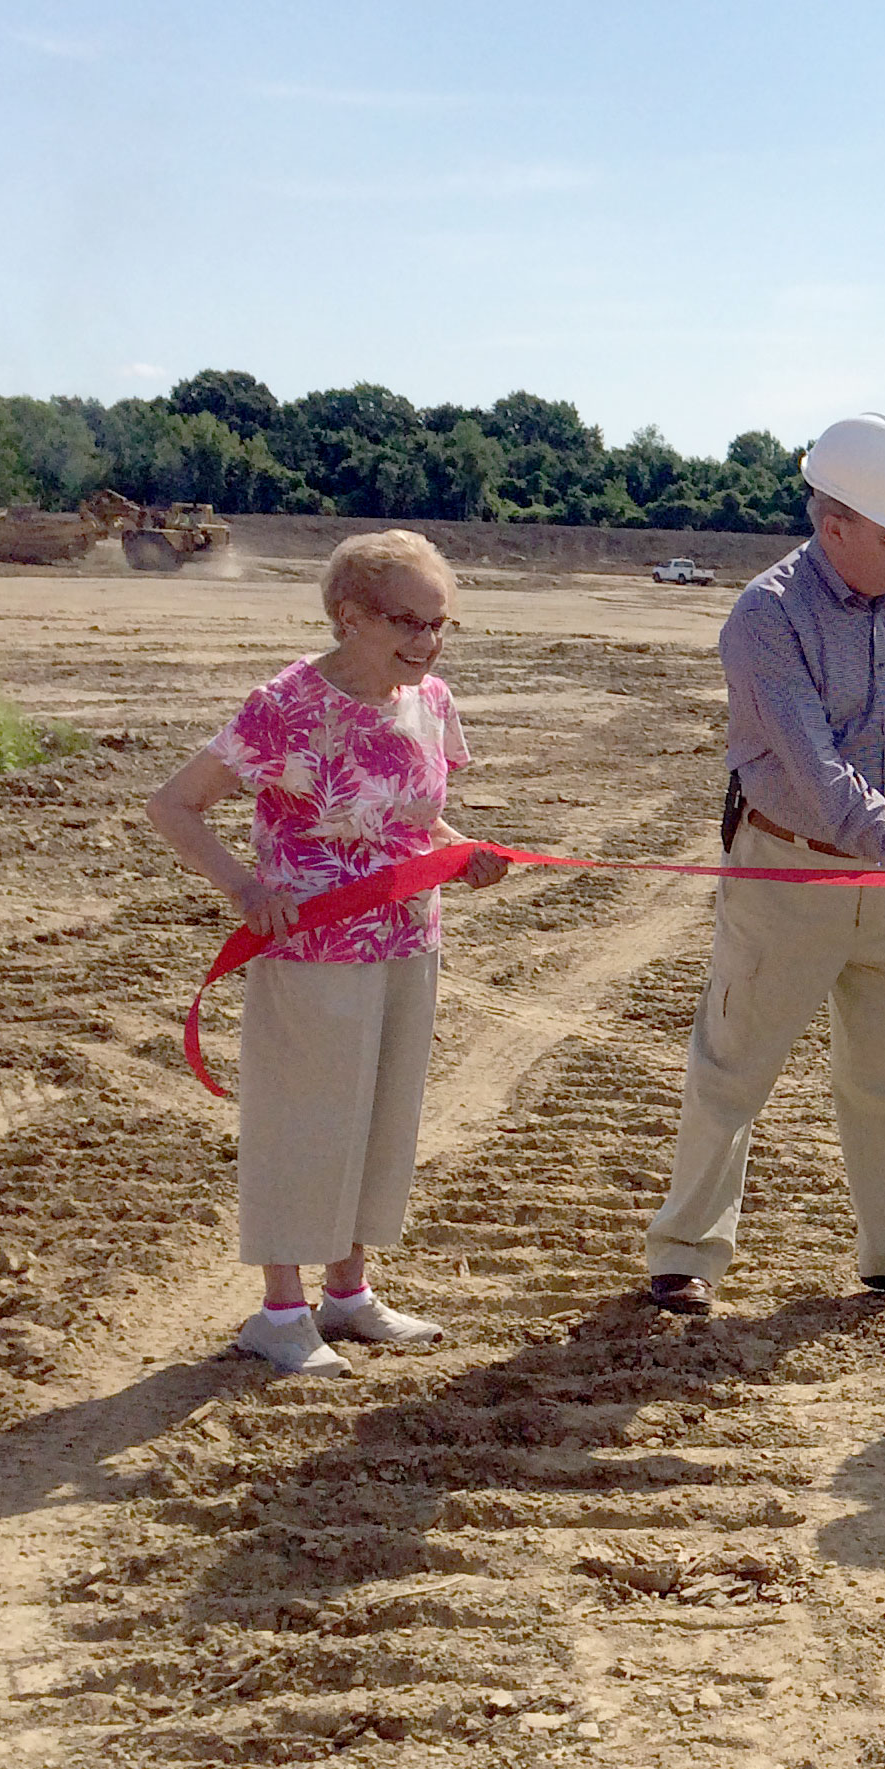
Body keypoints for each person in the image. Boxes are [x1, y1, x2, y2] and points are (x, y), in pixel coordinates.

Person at [640, 412, 885, 1317]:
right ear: (833, 527)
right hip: (792, 871)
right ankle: (684, 1256)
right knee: (733, 1068)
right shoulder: (765, 618)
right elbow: (818, 773)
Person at [148, 529, 508, 1378]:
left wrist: (466, 852)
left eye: (439, 624)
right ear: (349, 617)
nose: (425, 641)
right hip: (313, 951)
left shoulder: (432, 702)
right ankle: (279, 1311)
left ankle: (348, 1293)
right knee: (304, 1123)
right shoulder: (285, 705)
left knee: (380, 1118)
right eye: (405, 622)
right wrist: (246, 891)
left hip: (409, 939)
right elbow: (174, 807)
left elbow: (416, 820)